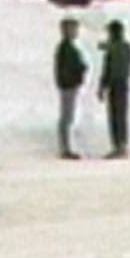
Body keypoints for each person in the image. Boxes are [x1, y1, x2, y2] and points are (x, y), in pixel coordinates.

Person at [97, 20, 130, 159]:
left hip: (114, 84)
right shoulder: (128, 47)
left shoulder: (112, 48)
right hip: (124, 83)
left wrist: (102, 86)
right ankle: (123, 144)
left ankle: (117, 145)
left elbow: (107, 69)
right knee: (122, 115)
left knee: (114, 115)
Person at [54, 16, 88, 160]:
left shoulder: (68, 47)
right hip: (68, 85)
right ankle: (65, 148)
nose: (76, 32)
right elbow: (66, 68)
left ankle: (66, 147)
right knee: (67, 117)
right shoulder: (66, 47)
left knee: (68, 117)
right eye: (73, 29)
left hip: (69, 85)